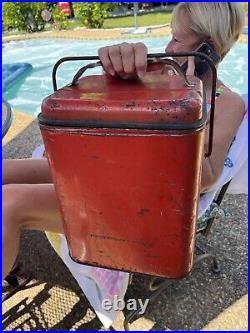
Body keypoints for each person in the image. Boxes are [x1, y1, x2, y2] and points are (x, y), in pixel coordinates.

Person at [2, 2, 245, 283]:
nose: (167, 47)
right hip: (105, 172)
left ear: (208, 49)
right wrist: (115, 74)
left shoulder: (227, 103)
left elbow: (205, 179)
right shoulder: (161, 73)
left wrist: (183, 102)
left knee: (8, 202)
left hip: (141, 202)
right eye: (170, 35)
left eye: (178, 39)